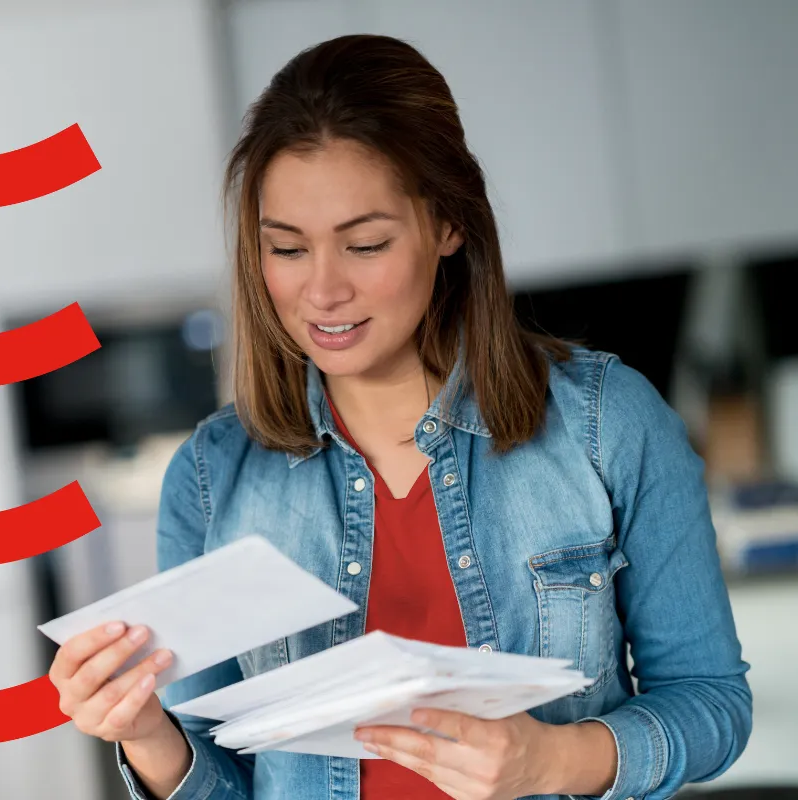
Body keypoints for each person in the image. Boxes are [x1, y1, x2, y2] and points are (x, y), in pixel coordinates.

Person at [48, 33, 752, 800]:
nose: (323, 291)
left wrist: (550, 759)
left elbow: (712, 703)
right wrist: (147, 733)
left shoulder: (606, 423)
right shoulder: (211, 477)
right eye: (287, 250)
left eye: (365, 244)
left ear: (448, 223)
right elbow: (228, 782)